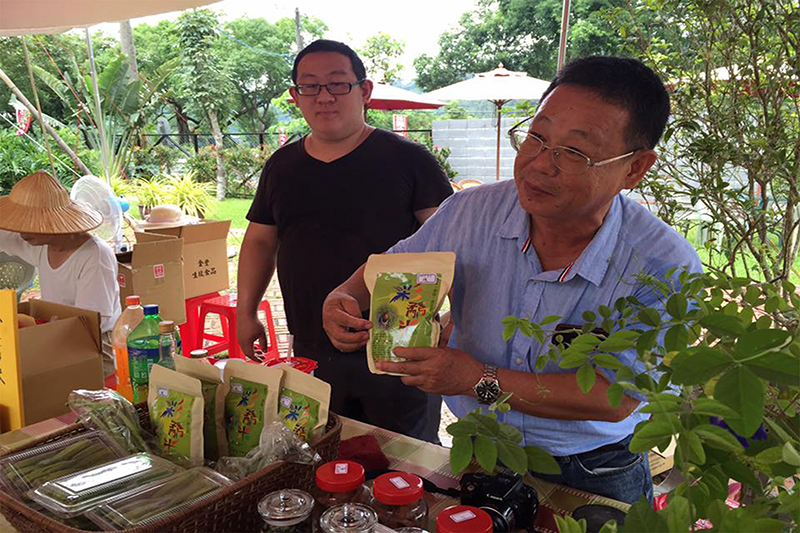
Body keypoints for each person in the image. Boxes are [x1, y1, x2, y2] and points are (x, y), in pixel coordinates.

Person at [322, 56, 703, 504]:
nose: (541, 164)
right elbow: (392, 265)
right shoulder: (469, 212)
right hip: (479, 444)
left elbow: (613, 397)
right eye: (537, 137)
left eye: (575, 152)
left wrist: (474, 378)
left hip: (594, 465)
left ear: (635, 168)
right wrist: (345, 295)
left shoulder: (662, 266)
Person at [237, 39, 453, 442]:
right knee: (323, 452)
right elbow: (260, 242)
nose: (324, 97)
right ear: (294, 96)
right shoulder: (282, 166)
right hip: (311, 346)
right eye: (310, 87)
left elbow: (452, 242)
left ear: (364, 91)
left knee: (406, 460)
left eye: (338, 84)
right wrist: (244, 311)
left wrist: (458, 314)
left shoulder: (409, 160)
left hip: (398, 345)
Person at [0, 171, 122, 371]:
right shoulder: (41, 244)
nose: (22, 232)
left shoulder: (94, 256)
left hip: (95, 346)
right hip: (56, 336)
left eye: (30, 224)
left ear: (53, 222)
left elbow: (91, 321)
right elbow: (5, 238)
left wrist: (44, 331)